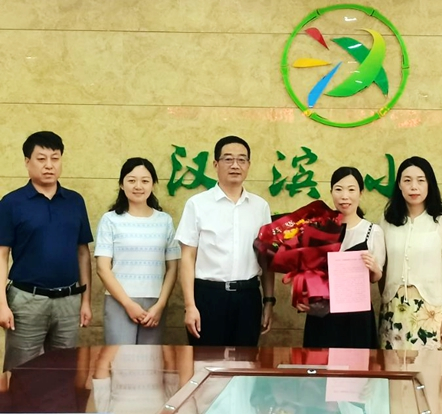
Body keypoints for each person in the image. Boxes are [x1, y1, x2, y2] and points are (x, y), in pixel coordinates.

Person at [0, 131, 93, 371]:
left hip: (69, 301)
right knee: (21, 372)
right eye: (41, 159)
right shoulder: (11, 203)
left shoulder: (75, 201)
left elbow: (83, 253)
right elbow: (1, 256)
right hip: (26, 301)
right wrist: (2, 304)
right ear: (27, 162)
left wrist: (85, 301)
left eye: (55, 158)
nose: (49, 165)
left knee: (63, 371)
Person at [175, 136, 274, 346]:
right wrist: (190, 306)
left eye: (241, 160)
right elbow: (187, 257)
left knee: (246, 361)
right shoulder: (197, 204)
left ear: (248, 165)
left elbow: (266, 259)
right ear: (215, 164)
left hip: (248, 297)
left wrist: (268, 301)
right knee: (205, 361)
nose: (235, 165)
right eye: (228, 159)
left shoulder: (260, 207)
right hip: (208, 297)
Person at [379, 156, 442, 350]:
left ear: (429, 184)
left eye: (420, 180)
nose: (414, 187)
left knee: (428, 366)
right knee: (391, 365)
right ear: (399, 185)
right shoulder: (387, 221)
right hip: (393, 309)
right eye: (407, 180)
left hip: (429, 309)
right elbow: (383, 266)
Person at [95, 157, 180, 345]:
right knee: (120, 359)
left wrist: (161, 305)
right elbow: (102, 268)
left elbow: (173, 268)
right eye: (132, 180)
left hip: (155, 304)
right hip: (119, 301)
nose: (138, 186)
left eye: (145, 181)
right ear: (121, 184)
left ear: (153, 185)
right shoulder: (110, 220)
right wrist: (128, 304)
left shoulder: (164, 221)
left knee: (150, 360)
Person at [299, 166, 384, 349]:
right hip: (322, 316)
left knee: (358, 365)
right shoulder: (317, 229)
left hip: (357, 317)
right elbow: (305, 273)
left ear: (361, 193)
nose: (345, 196)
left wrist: (374, 269)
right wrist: (300, 296)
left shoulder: (372, 231)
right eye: (339, 189)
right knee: (320, 365)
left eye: (351, 190)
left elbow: (375, 277)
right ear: (331, 192)